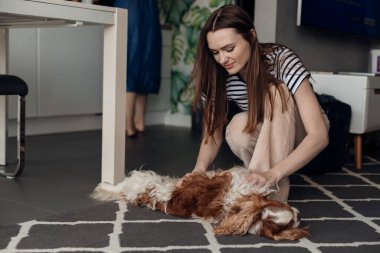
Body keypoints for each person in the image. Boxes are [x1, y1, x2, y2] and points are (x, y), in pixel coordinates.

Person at [178, 5, 329, 202]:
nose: (222, 59)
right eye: (215, 52)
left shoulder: (281, 61)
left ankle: (266, 197)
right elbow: (212, 132)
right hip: (269, 129)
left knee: (275, 91)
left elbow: (319, 135)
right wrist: (199, 170)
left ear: (251, 35)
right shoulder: (218, 76)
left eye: (229, 49)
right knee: (237, 129)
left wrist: (273, 174)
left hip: (304, 133)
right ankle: (258, 183)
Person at [113, 0, 162, 137]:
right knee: (133, 60)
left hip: (148, 8)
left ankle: (138, 121)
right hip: (131, 7)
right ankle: (128, 124)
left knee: (147, 60)